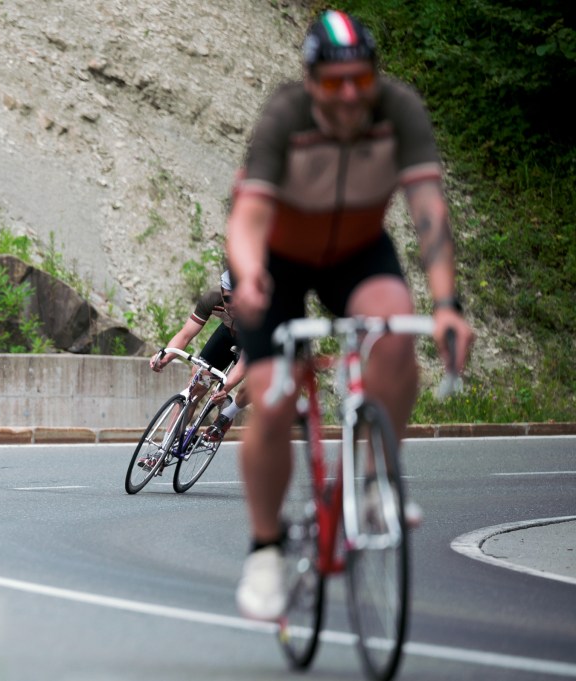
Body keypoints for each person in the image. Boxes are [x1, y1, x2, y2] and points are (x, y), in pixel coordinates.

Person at [224, 10, 474, 621]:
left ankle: (374, 480)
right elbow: (249, 215)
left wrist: (448, 307)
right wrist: (249, 274)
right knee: (272, 399)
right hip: (278, 259)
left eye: (361, 80)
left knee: (396, 330)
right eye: (334, 84)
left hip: (357, 252)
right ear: (310, 81)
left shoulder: (399, 110)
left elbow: (429, 211)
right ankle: (265, 551)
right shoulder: (286, 114)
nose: (349, 96)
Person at [140, 271, 250, 471]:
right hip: (227, 334)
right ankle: (163, 451)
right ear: (221, 292)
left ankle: (226, 412)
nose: (233, 304)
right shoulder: (211, 299)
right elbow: (185, 334)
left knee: (254, 380)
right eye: (228, 299)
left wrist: (226, 387)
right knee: (197, 383)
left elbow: (244, 363)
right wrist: (164, 356)